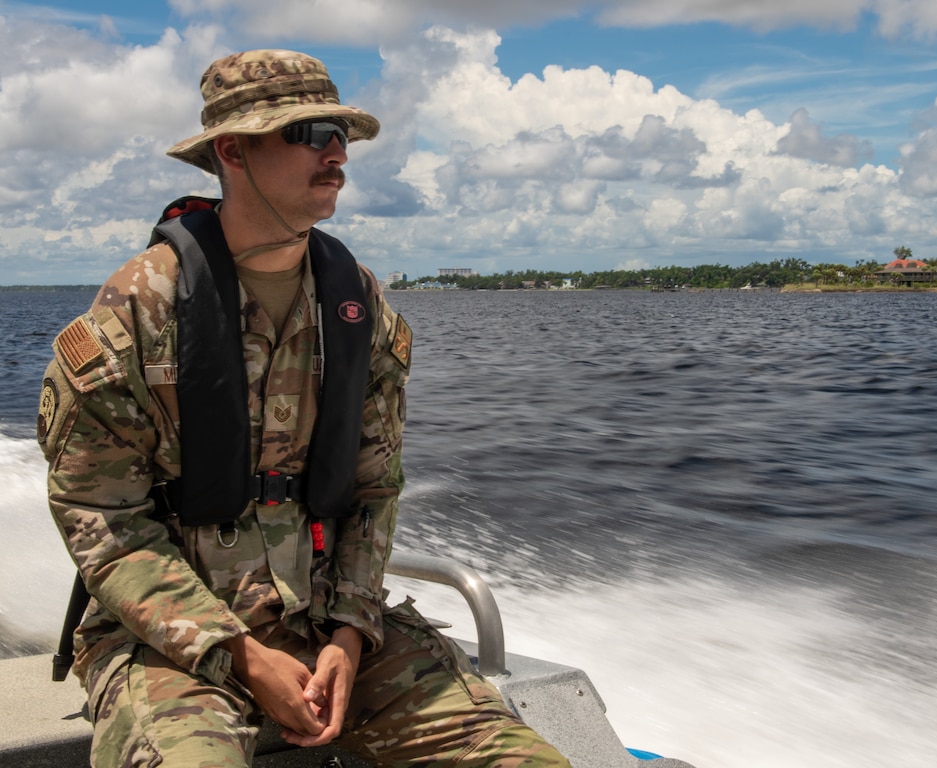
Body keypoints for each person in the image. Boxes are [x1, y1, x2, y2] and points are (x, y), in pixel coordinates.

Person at [38, 49, 570, 767]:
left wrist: (350, 633)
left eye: (342, 135)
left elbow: (374, 490)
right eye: (311, 132)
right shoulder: (139, 311)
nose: (338, 154)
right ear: (233, 150)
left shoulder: (359, 305)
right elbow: (102, 519)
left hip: (332, 620)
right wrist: (242, 655)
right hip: (173, 641)